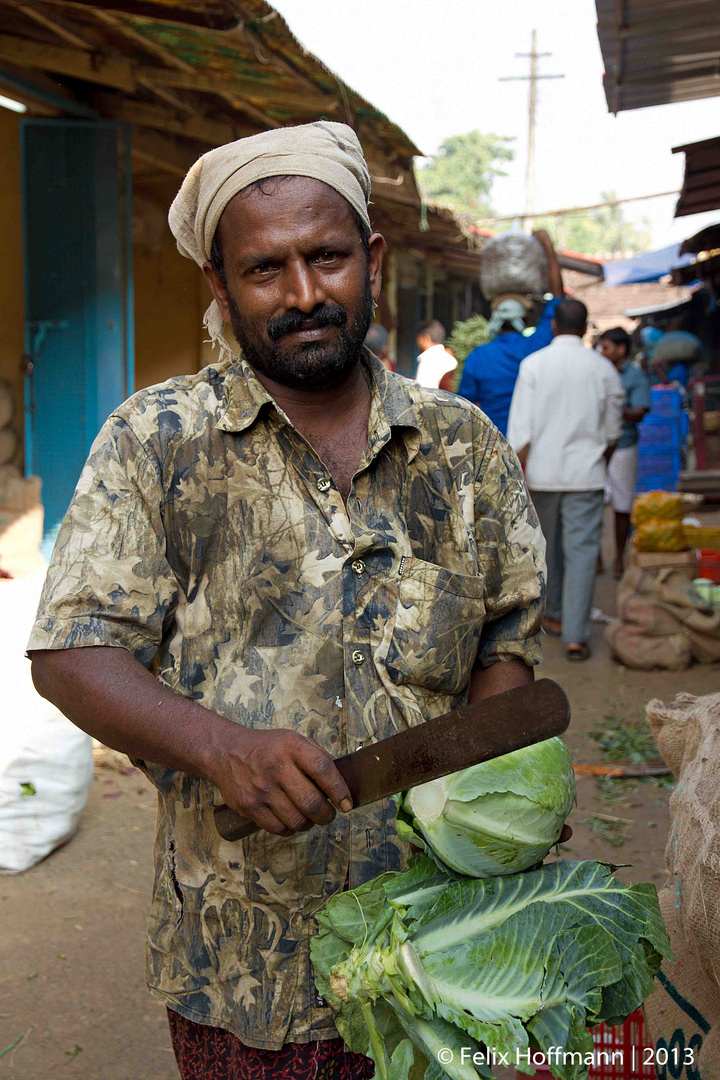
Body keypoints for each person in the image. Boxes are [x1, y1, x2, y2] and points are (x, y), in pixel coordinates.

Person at [27, 121, 549, 1080]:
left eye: (328, 257)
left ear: (374, 260)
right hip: (241, 965)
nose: (305, 295)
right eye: (266, 270)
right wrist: (220, 748)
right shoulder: (157, 443)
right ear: (221, 289)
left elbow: (503, 649)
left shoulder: (463, 447)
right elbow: (72, 651)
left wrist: (493, 795)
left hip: (439, 944)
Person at [507, 298, 624, 662]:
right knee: (582, 553)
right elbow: (612, 431)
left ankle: (554, 616)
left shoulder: (533, 365)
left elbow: (520, 432)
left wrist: (516, 476)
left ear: (554, 325)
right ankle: (576, 634)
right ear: (586, 328)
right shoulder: (604, 369)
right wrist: (598, 460)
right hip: (586, 475)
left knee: (547, 549)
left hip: (542, 475)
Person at [458, 230, 564, 436]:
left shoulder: (478, 357)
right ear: (525, 318)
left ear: (494, 318)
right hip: (533, 446)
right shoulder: (537, 346)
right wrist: (548, 247)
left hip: (495, 449)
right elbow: (558, 297)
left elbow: (463, 408)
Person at [597, 327, 651, 578]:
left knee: (622, 503)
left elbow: (639, 412)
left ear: (621, 349)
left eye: (606, 347)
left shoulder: (635, 375)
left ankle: (619, 556)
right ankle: (596, 557)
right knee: (592, 501)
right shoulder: (597, 370)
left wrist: (611, 408)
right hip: (596, 445)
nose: (602, 352)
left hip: (623, 447)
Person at [414, 318, 457, 390]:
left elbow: (421, 394)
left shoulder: (427, 361)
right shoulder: (451, 359)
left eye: (418, 338)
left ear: (425, 338)